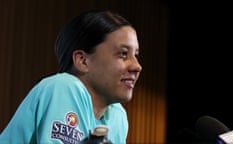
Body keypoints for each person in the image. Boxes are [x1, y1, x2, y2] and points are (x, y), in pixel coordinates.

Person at [0, 10, 142, 144]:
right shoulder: (63, 87)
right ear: (82, 60)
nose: (137, 66)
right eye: (123, 53)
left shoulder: (117, 115)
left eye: (135, 55)